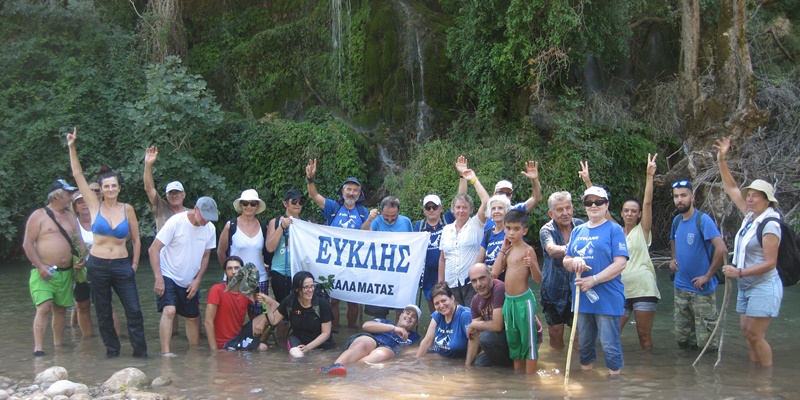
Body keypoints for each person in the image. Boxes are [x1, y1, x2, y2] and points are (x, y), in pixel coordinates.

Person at [67, 128, 147, 358]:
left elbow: (137, 238)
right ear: (100, 190)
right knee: (102, 313)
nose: (110, 189)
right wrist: (72, 147)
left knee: (134, 310)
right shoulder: (94, 205)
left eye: (114, 186)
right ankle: (113, 353)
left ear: (119, 188)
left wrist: (133, 265)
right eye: (106, 186)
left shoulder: (127, 209)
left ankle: (140, 355)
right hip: (98, 265)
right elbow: (78, 175)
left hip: (122, 265)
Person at [716, 136, 783, 367]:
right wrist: (721, 159)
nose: (749, 198)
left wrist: (739, 273)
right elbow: (731, 187)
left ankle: (766, 381)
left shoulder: (770, 223)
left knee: (756, 335)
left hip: (763, 284)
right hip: (747, 285)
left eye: (755, 195)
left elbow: (771, 262)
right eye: (750, 195)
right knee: (747, 333)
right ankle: (756, 378)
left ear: (767, 200)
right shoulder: (750, 216)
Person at [563, 186, 628, 376]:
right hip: (582, 298)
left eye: (599, 202)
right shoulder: (578, 231)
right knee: (584, 345)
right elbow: (566, 260)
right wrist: (573, 261)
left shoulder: (614, 230)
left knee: (609, 345)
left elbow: (621, 263)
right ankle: (588, 384)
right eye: (588, 202)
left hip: (608, 297)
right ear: (583, 206)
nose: (594, 206)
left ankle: (614, 387)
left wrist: (595, 279)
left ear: (606, 205)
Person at [23, 178, 86, 357]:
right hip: (43, 271)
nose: (71, 197)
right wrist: (40, 266)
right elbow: (27, 244)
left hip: (66, 272)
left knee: (61, 309)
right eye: (68, 193)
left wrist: (82, 258)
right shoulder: (39, 215)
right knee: (44, 307)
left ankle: (58, 347)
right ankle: (38, 349)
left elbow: (79, 241)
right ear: (56, 195)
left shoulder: (70, 217)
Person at [149, 196, 218, 356]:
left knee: (192, 317)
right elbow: (153, 249)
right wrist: (158, 277)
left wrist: (198, 280)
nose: (207, 221)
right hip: (168, 273)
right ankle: (166, 353)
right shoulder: (176, 222)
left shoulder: (210, 229)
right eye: (204, 216)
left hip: (190, 278)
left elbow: (206, 256)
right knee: (170, 311)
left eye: (210, 218)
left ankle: (194, 354)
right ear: (195, 209)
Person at [305, 158, 367, 328]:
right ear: (343, 191)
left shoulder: (363, 211)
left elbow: (368, 236)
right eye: (349, 189)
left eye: (355, 190)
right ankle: (334, 331)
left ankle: (351, 331)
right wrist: (310, 179)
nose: (352, 193)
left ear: (359, 194)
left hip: (355, 263)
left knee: (353, 301)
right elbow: (314, 195)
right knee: (332, 300)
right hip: (332, 262)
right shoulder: (333, 207)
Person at [670, 179, 728, 351]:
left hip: (702, 290)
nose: (679, 200)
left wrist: (707, 276)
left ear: (692, 197)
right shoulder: (677, 221)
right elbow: (672, 240)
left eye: (683, 196)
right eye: (676, 196)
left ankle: (708, 377)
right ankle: (686, 376)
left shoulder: (703, 220)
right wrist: (673, 259)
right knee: (682, 340)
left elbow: (721, 249)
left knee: (706, 344)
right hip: (680, 287)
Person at [618, 155, 660, 349]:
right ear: (621, 213)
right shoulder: (615, 232)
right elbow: (599, 207)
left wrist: (649, 176)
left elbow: (648, 203)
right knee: (612, 332)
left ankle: (646, 373)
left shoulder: (642, 231)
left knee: (644, 336)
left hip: (643, 287)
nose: (629, 214)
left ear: (639, 214)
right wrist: (588, 182)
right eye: (626, 210)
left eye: (633, 211)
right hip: (621, 289)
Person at [494, 210, 542, 374]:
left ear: (524, 231)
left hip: (524, 301)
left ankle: (530, 380)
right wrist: (502, 250)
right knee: (513, 341)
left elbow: (538, 279)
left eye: (516, 229)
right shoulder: (507, 250)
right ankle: (518, 377)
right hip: (509, 302)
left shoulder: (528, 250)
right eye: (508, 228)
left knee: (528, 341)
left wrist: (532, 265)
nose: (511, 232)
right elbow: (494, 273)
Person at [439, 156, 490, 307]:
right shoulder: (447, 229)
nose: (461, 210)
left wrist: (472, 179)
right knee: (454, 320)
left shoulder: (476, 223)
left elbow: (486, 201)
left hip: (472, 283)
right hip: (451, 284)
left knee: (473, 320)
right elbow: (442, 259)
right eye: (458, 207)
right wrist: (440, 283)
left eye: (465, 207)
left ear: (471, 210)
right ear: (452, 210)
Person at [318, 304, 422, 375]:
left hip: (388, 348)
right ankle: (335, 366)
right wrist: (394, 328)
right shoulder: (385, 322)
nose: (409, 317)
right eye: (407, 313)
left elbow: (413, 352)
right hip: (372, 340)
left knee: (383, 353)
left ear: (416, 323)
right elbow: (366, 326)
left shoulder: (415, 337)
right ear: (400, 315)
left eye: (413, 317)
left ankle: (349, 371)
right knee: (363, 343)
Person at [539, 191, 584, 349]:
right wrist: (574, 249)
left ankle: (580, 370)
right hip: (553, 288)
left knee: (579, 333)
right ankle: (557, 363)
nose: (565, 213)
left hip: (577, 287)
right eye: (559, 210)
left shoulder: (581, 226)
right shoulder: (547, 230)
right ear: (551, 213)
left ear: (572, 208)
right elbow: (551, 249)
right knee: (555, 331)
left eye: (568, 208)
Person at [362, 196, 413, 319]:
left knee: (402, 311)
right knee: (379, 314)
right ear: (381, 212)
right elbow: (362, 235)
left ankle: (399, 335)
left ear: (398, 212)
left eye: (393, 216)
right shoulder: (376, 221)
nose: (390, 219)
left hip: (400, 273)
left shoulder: (406, 222)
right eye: (386, 216)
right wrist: (369, 219)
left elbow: (414, 244)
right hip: (380, 274)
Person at [262, 271, 335, 354]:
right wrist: (267, 305)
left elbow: (326, 333)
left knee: (320, 360)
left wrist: (308, 347)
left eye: (312, 286)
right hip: (298, 339)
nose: (310, 290)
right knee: (296, 355)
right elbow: (273, 320)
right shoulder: (289, 302)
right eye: (306, 287)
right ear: (296, 289)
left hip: (321, 343)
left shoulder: (322, 304)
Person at [217, 189, 270, 295]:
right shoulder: (230, 226)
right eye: (245, 203)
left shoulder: (263, 226)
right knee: (234, 311)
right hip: (235, 279)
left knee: (259, 312)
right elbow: (221, 252)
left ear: (257, 206)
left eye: (253, 204)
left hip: (259, 279)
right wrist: (228, 273)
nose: (249, 207)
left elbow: (267, 251)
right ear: (241, 206)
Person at [205, 256, 258, 350]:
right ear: (225, 272)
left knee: (268, 319)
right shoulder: (217, 290)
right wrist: (214, 351)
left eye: (237, 268)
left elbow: (273, 304)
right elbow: (208, 322)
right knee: (261, 348)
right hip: (223, 344)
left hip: (239, 337)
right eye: (230, 268)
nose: (234, 272)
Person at [465, 263, 511, 368]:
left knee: (486, 338)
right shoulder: (475, 300)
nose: (478, 284)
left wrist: (474, 324)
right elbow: (474, 335)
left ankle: (507, 371)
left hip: (516, 337)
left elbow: (497, 326)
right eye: (474, 281)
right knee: (478, 365)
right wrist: (467, 367)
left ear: (491, 276)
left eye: (482, 278)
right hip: (499, 342)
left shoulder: (499, 288)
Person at [413, 194, 453, 314]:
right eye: (428, 207)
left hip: (448, 269)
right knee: (434, 306)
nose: (431, 210)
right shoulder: (419, 226)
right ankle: (436, 328)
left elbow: (461, 196)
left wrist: (463, 177)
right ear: (423, 210)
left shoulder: (448, 220)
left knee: (450, 302)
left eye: (434, 207)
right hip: (427, 274)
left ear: (441, 208)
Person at [266, 189, 305, 303]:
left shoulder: (305, 224)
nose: (298, 204)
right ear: (285, 204)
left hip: (298, 271)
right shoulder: (275, 221)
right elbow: (270, 247)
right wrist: (281, 227)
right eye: (294, 201)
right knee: (281, 308)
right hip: (279, 271)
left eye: (300, 202)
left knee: (299, 308)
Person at [481, 161, 542, 232]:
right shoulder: (486, 214)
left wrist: (534, 179)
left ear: (511, 196)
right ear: (494, 194)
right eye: (500, 192)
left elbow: (536, 198)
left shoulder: (515, 211)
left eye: (508, 193)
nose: (504, 196)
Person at [416, 282, 472, 359]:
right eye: (437, 303)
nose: (441, 306)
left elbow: (473, 343)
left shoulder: (465, 315)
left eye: (443, 301)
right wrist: (417, 363)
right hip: (439, 356)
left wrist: (467, 366)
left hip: (457, 361)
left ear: (452, 298)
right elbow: (427, 341)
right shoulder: (437, 314)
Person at [143, 146, 188, 232]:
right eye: (171, 193)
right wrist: (148, 165)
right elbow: (149, 189)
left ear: (184, 194)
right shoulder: (161, 208)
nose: (174, 195)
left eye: (177, 192)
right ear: (167, 196)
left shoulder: (191, 213)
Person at [476, 195, 511, 279]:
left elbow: (507, 263)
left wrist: (486, 268)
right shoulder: (488, 234)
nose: (496, 211)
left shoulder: (510, 233)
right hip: (488, 281)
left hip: (505, 280)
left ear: (507, 211)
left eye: (500, 208)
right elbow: (479, 261)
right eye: (493, 209)